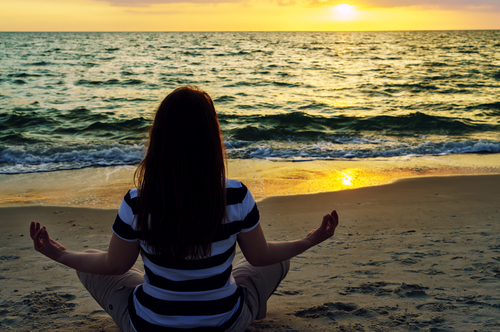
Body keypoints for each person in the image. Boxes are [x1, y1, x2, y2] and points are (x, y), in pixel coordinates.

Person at [30, 86, 339, 332]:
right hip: (225, 323)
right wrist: (311, 239)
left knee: (86, 261)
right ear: (211, 139)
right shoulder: (235, 195)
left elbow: (115, 266)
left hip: (150, 325)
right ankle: (250, 310)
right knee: (277, 263)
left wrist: (59, 254)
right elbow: (261, 257)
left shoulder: (139, 201)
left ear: (159, 140)